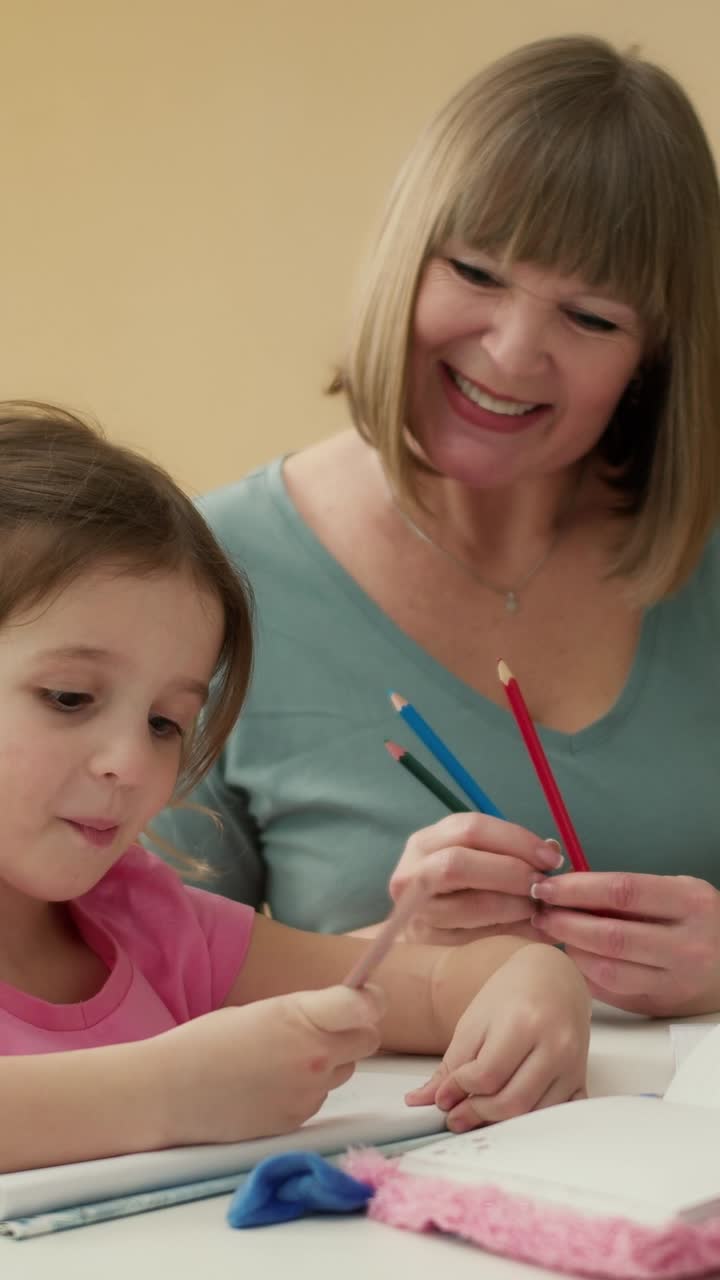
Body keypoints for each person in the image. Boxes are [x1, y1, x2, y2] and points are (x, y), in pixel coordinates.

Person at [152, 34, 720, 1019]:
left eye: (591, 317)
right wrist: (397, 967)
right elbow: (143, 980)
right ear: (403, 256)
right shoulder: (205, 579)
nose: (513, 352)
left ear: (655, 354)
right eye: (477, 272)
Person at [0, 401, 589, 1175]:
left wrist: (540, 979)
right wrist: (173, 1091)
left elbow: (442, 983)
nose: (129, 762)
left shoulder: (149, 921)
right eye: (70, 698)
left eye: (165, 723)